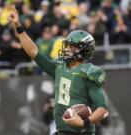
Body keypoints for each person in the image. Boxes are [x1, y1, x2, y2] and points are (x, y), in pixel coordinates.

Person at [8, 5, 108, 135]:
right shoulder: (59, 67)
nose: (66, 49)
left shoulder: (88, 72)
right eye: (67, 46)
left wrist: (85, 122)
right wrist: (19, 27)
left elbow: (103, 109)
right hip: (61, 131)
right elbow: (33, 52)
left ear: (84, 51)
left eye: (71, 47)